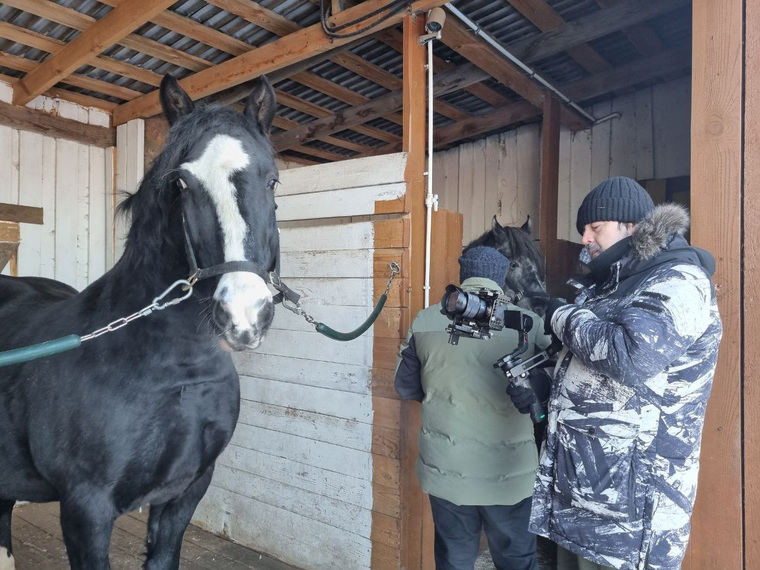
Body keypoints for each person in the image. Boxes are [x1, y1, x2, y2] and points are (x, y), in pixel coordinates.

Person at [511, 177, 722, 570]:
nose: (585, 238)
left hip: (632, 509)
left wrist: (560, 313)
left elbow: (630, 356)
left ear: (633, 226)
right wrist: (540, 389)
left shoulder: (680, 280)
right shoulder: (608, 287)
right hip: (585, 493)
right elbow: (588, 369)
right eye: (583, 230)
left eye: (595, 227)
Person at [394, 246, 552, 570]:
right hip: (511, 476)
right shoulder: (528, 323)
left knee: (454, 560)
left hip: (446, 471)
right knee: (518, 561)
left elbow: (405, 385)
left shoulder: (425, 320)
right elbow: (557, 383)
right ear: (501, 278)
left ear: (463, 276)